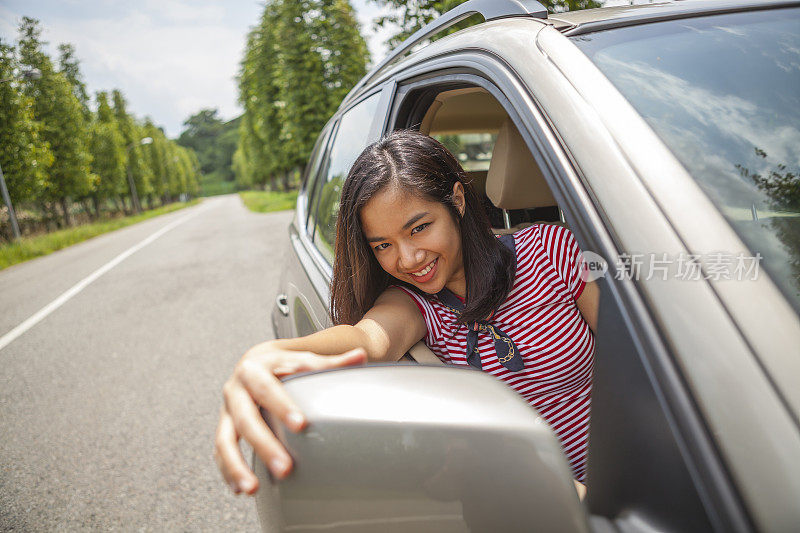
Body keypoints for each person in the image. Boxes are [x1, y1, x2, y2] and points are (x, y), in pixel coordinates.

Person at [214, 129, 599, 498]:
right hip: (529, 501)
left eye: (419, 228)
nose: (408, 260)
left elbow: (637, 359)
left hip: (628, 465)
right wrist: (267, 356)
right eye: (382, 245)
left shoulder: (553, 251)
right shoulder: (414, 303)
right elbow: (367, 339)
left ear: (458, 201)